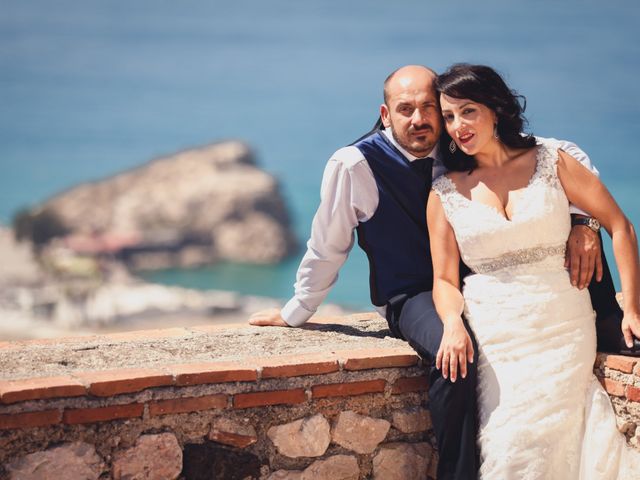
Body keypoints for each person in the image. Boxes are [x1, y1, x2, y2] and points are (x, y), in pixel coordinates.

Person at [249, 65, 634, 479]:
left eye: (431, 109)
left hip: (498, 285)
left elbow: (561, 157)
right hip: (412, 292)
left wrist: (583, 222)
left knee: (576, 265)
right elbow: (328, 246)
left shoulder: (460, 145)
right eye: (406, 109)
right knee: (455, 359)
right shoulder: (354, 165)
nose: (422, 120)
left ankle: (620, 326)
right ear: (385, 114)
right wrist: (297, 310)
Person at [429, 63, 640, 478]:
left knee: (558, 433)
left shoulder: (551, 161)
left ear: (496, 109)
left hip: (563, 325)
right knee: (506, 444)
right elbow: (443, 279)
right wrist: (452, 323)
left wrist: (632, 308)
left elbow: (620, 225)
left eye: (468, 111)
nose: (457, 126)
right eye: (449, 117)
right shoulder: (445, 191)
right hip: (496, 337)